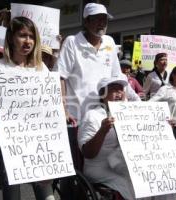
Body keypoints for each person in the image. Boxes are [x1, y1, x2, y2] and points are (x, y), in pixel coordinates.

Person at [54, 3, 139, 199]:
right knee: (73, 168)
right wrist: (63, 108)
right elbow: (60, 77)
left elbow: (119, 77)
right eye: (98, 18)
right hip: (78, 116)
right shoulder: (72, 42)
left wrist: (137, 104)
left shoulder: (109, 42)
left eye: (105, 19)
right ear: (87, 21)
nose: (102, 22)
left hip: (106, 110)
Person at [0, 16, 55, 200]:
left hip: (38, 140)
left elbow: (50, 103)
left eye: (31, 36)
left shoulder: (42, 69)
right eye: (22, 35)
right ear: (11, 38)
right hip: (8, 141)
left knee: (45, 191)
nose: (28, 41)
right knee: (12, 193)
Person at [79, 75, 176, 200]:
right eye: (114, 89)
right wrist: (102, 131)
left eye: (121, 90)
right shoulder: (92, 116)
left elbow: (147, 137)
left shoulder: (132, 114)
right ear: (103, 95)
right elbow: (87, 153)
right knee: (136, 187)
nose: (119, 93)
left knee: (161, 181)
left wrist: (164, 128)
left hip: (125, 164)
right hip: (101, 167)